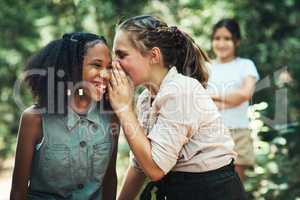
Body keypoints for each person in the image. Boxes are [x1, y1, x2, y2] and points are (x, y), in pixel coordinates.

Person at [109, 15, 247, 200]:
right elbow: (140, 163)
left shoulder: (181, 91)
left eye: (121, 55)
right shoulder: (146, 98)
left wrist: (124, 109)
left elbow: (155, 168)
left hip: (213, 192)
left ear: (154, 55)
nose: (114, 64)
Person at [10, 32, 119, 200]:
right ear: (72, 67)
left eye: (108, 67)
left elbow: (110, 178)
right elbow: (18, 192)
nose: (105, 75)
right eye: (97, 65)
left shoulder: (111, 118)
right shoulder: (34, 119)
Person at [208, 18, 260, 182]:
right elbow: (200, 101)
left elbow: (245, 94)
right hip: (209, 133)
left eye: (227, 38)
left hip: (238, 132)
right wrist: (232, 98)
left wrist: (212, 96)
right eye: (217, 38)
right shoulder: (205, 66)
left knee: (235, 186)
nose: (221, 43)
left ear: (236, 41)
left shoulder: (245, 65)